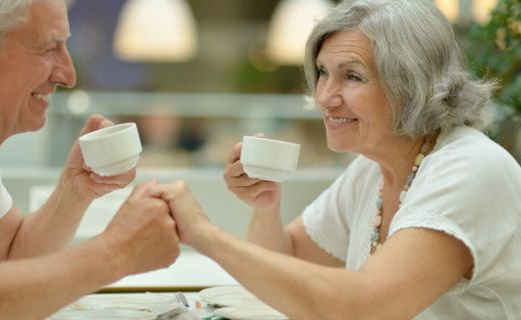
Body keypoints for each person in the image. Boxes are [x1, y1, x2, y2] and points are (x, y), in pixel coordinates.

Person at [148, 0, 521, 319]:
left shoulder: (469, 169)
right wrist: (265, 206)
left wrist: (203, 234)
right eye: (323, 73)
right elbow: (289, 265)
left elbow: (363, 307)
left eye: (352, 77)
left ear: (411, 85)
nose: (325, 97)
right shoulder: (372, 168)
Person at [0, 0, 179, 319]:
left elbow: (9, 258)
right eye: (49, 47)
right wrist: (117, 253)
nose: (68, 75)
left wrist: (75, 191)